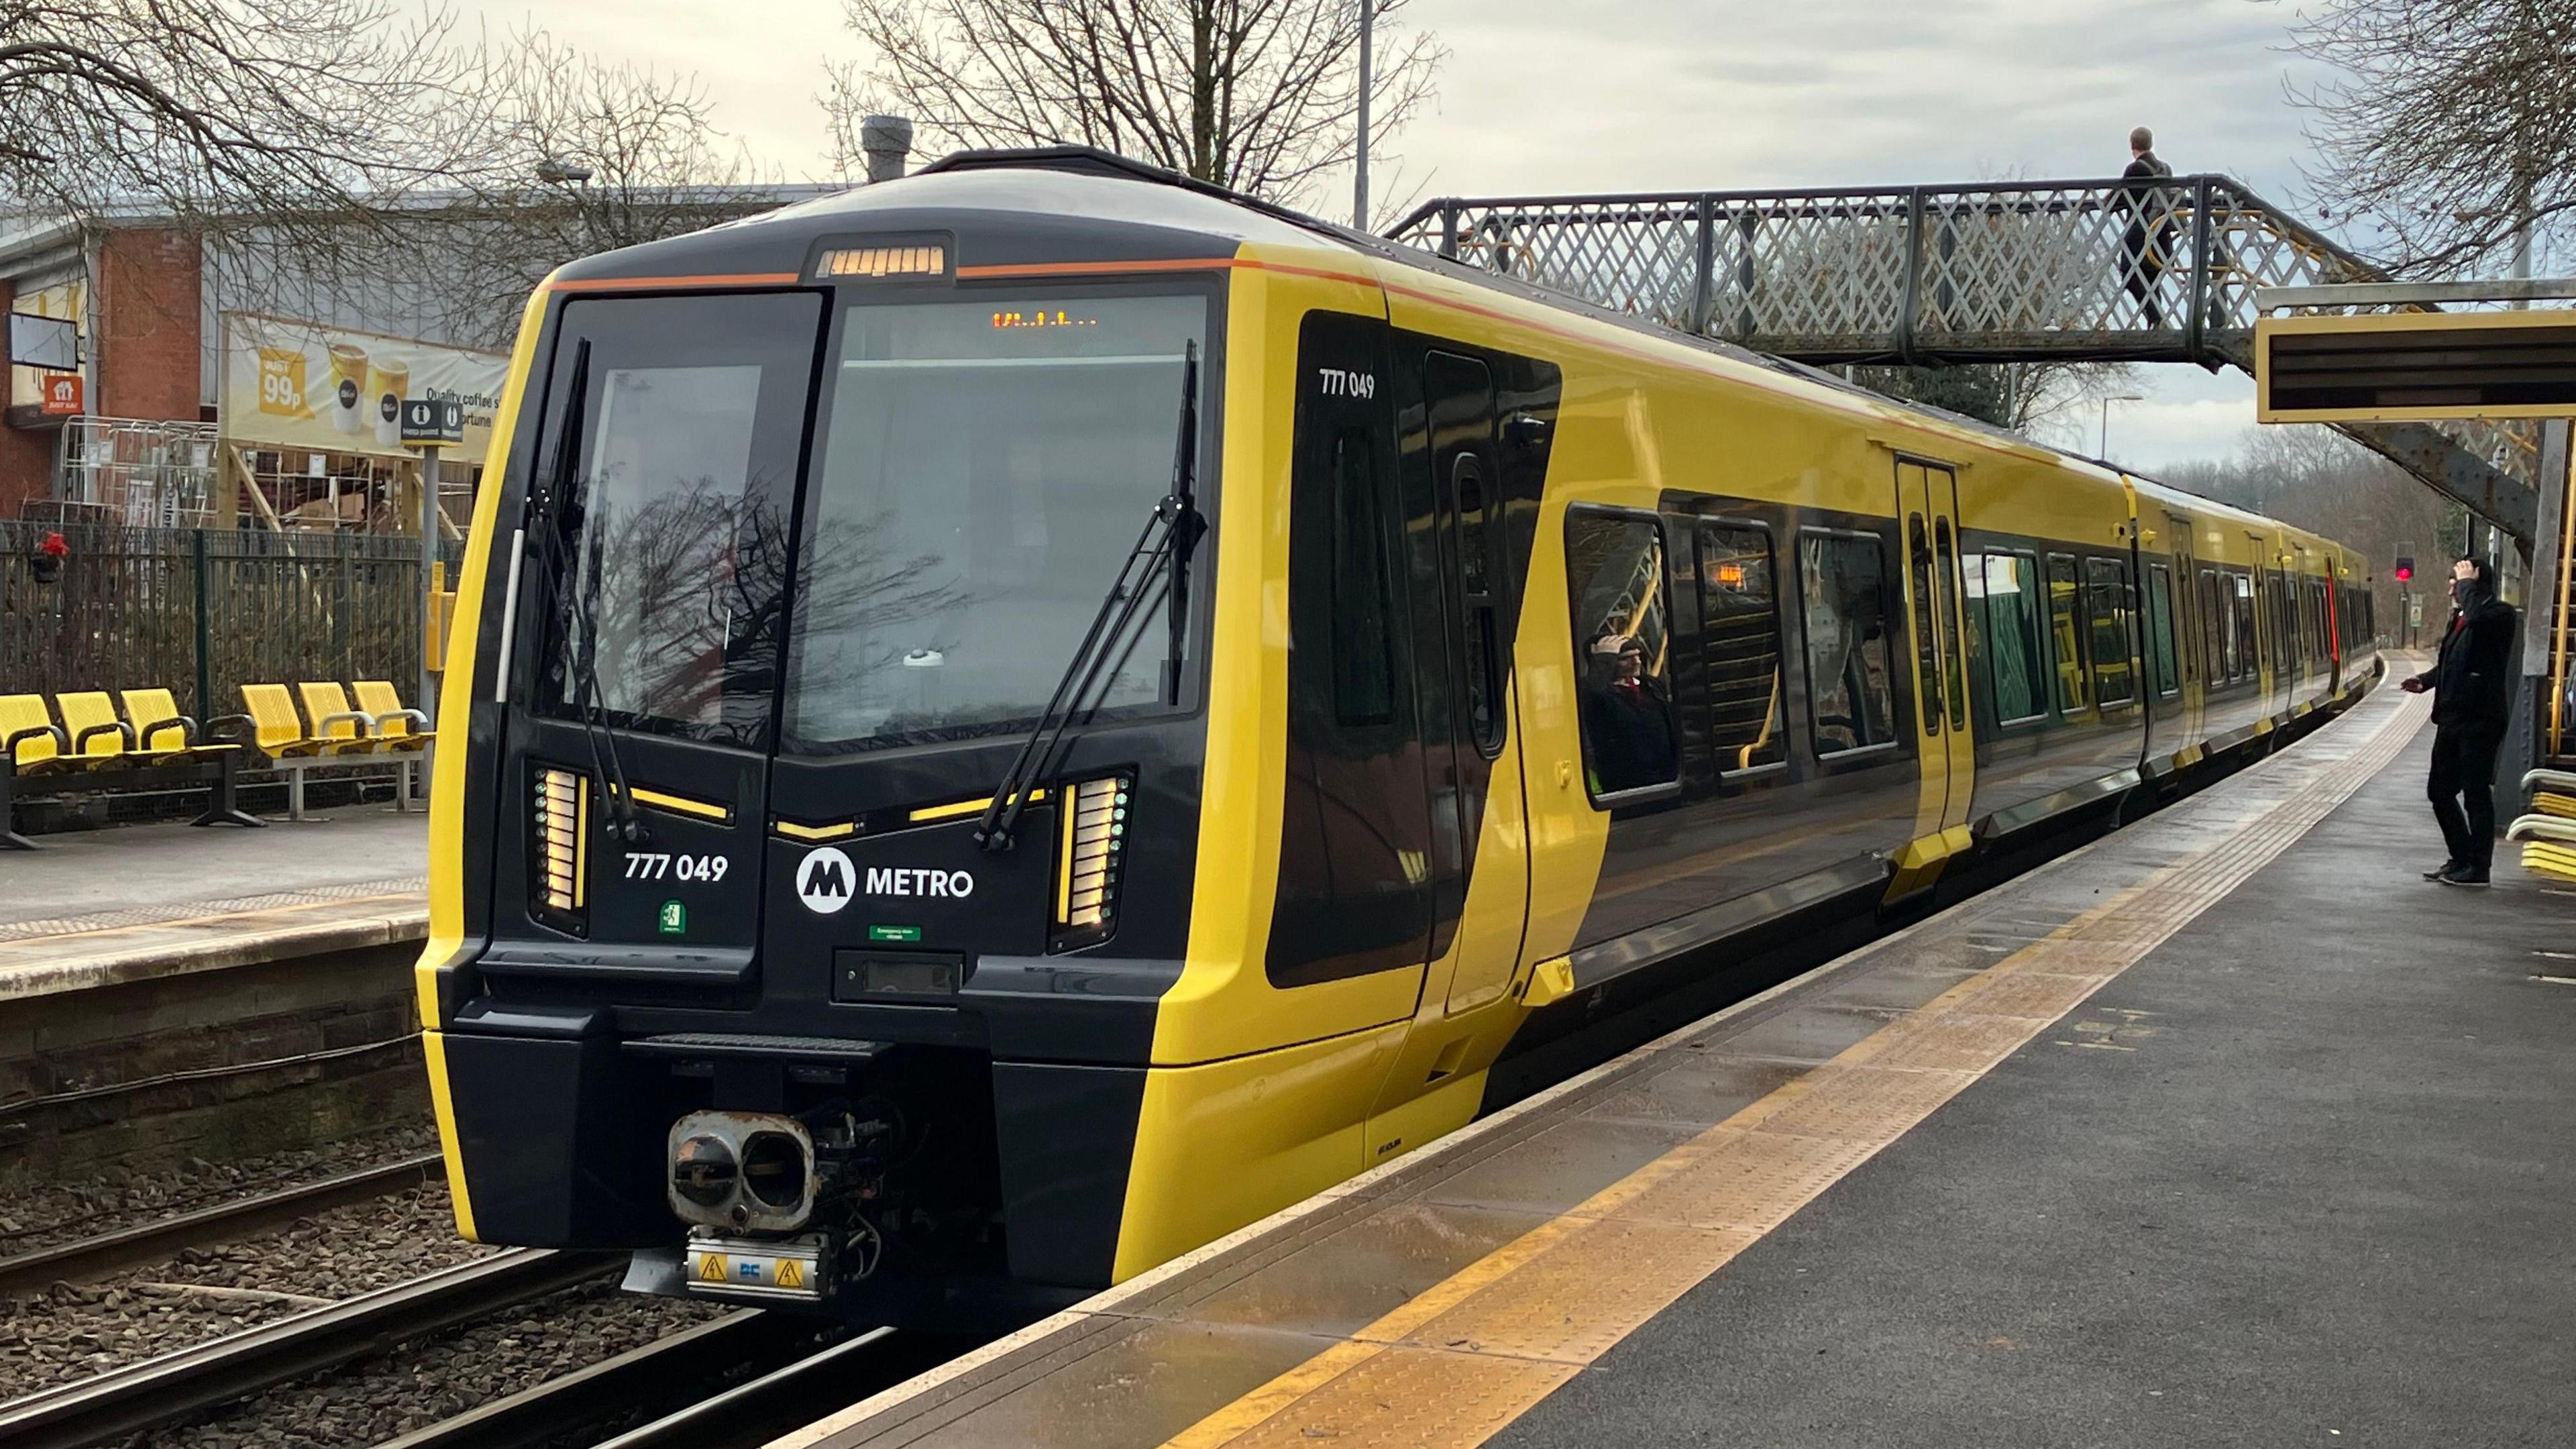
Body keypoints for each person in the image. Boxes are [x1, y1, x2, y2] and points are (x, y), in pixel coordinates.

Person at [2400, 557, 2517, 886]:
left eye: (2459, 580)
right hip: (2452, 718)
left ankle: (2479, 868)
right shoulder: (2461, 616)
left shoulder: (2498, 614)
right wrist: (2426, 680)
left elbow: (2479, 623)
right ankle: (2461, 856)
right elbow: (2452, 661)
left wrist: (2469, 587)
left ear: (2477, 582)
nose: (2452, 586)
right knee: (2439, 791)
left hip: (2480, 720)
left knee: (2476, 794)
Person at [1585, 633, 1677, 792]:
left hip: (1666, 778)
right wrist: (1604, 660)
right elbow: (1594, 696)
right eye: (1626, 658)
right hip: (1626, 784)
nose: (1637, 662)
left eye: (1638, 656)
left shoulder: (1651, 686)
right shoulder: (1595, 694)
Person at [2116, 125, 2176, 327]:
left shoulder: (2135, 169)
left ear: (2132, 144)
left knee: (2129, 273)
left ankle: (2157, 318)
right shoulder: (2165, 168)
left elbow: (2119, 197)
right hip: (2161, 232)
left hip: (2140, 232)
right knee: (2151, 279)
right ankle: (2156, 322)